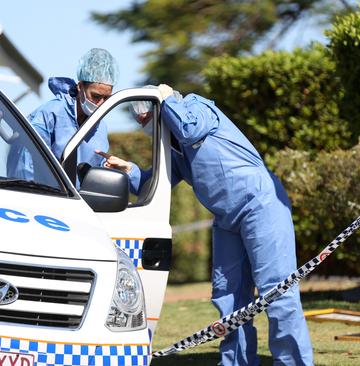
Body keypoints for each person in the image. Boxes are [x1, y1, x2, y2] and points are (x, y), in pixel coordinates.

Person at [102, 85, 314, 365]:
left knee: (277, 291)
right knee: (228, 296)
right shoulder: (175, 150)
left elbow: (190, 130)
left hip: (260, 205)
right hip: (226, 219)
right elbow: (153, 183)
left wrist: (166, 100)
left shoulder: (196, 107)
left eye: (148, 119)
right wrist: (128, 170)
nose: (147, 127)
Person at [7, 48, 119, 183]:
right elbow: (24, 165)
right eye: (95, 96)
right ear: (80, 87)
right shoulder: (49, 114)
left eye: (106, 98)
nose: (101, 104)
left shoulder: (100, 128)